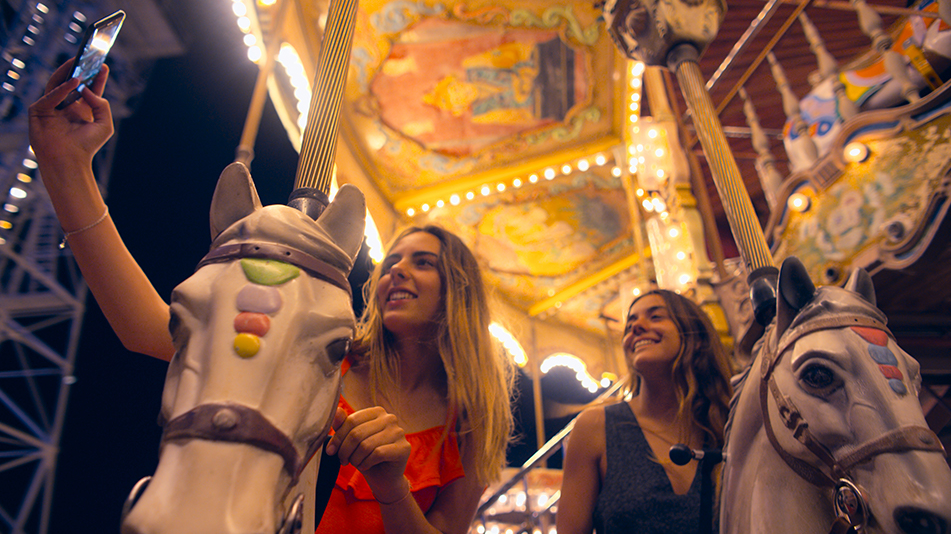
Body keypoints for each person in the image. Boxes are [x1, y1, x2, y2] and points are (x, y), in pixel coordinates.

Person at [28, 60, 515, 534]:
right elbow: (146, 328)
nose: (397, 272)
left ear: (460, 294)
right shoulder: (329, 357)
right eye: (392, 263)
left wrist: (392, 489)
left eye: (423, 263)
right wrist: (67, 169)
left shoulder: (470, 424)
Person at [555, 290, 733, 534]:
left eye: (656, 317)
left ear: (697, 337)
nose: (636, 327)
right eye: (630, 324)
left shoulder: (726, 426)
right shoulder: (596, 427)